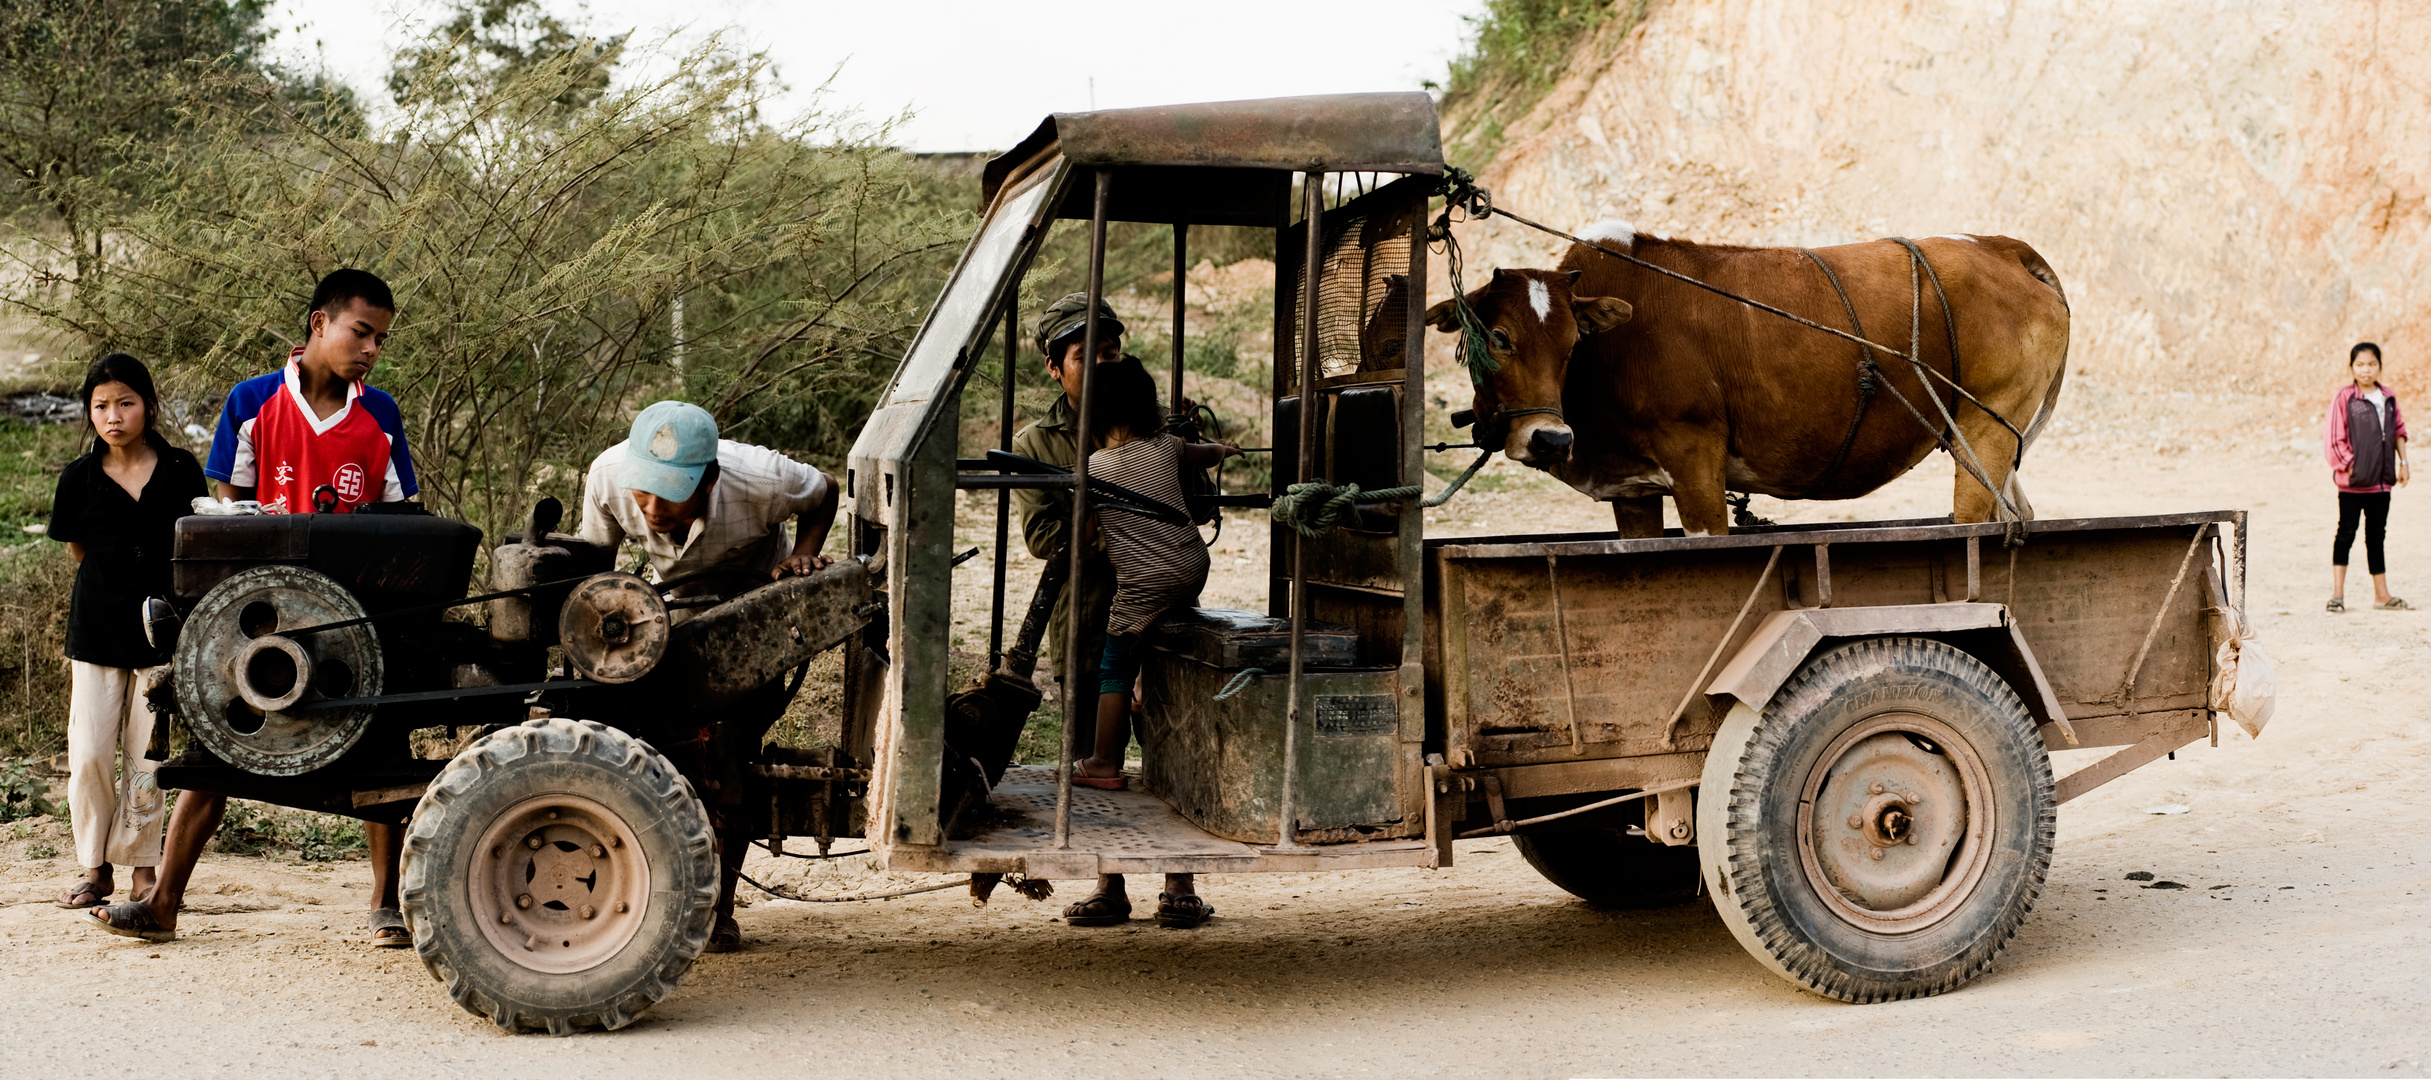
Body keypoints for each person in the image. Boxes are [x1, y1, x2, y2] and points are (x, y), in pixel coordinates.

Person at [92, 269, 422, 946]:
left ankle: (385, 904)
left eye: (381, 340)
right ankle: (162, 904)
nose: (370, 349)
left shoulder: (379, 414)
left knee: (383, 745)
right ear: (318, 324)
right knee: (221, 742)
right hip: (260, 612)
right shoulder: (253, 401)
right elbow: (224, 510)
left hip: (353, 614)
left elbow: (399, 516)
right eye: (361, 331)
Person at [577, 400, 839, 952]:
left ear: (710, 479)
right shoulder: (606, 477)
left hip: (750, 616)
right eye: (643, 490)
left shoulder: (764, 479)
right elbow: (595, 576)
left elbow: (824, 493)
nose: (651, 506)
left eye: (669, 493)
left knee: (729, 754)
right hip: (665, 616)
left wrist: (805, 556)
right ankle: (657, 895)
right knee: (661, 750)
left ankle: (719, 908)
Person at [1064, 358, 1237, 929]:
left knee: (1115, 664)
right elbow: (1204, 455)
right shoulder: (1167, 447)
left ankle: (1104, 760)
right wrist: (1223, 451)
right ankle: (1150, 702)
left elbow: (1083, 531)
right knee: (1162, 650)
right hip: (1191, 566)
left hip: (1141, 582)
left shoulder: (1095, 465)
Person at [47, 355, 208, 912]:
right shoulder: (78, 479)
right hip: (95, 628)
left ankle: (143, 869)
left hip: (161, 631)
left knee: (147, 756)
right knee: (90, 750)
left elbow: (196, 547)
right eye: (100, 406)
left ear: (149, 406)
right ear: (90, 413)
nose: (112, 416)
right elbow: (79, 552)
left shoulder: (182, 469)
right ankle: (93, 867)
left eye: (125, 403)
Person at [2324, 340, 2409, 612]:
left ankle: (2382, 595)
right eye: (2360, 364)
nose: (2366, 370)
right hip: (2353, 484)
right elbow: (2334, 439)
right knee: (2345, 534)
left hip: (2382, 483)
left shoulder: (2387, 397)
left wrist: (2403, 462)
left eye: (2372, 364)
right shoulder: (2345, 397)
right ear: (2352, 367)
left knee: (2376, 536)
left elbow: (2398, 430)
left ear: (2379, 366)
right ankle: (2337, 595)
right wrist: (2353, 467)